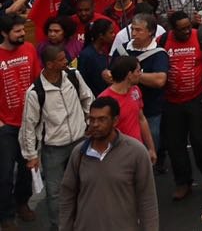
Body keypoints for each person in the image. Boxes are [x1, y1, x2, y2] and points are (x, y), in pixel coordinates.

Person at [18, 44, 93, 231]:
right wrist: (31, 156)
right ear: (50, 64)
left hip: (80, 141)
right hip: (53, 149)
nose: (66, 61)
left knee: (85, 184)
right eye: (61, 59)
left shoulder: (74, 76)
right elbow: (28, 126)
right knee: (55, 193)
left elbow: (87, 98)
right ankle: (59, 226)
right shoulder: (35, 92)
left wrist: (90, 123)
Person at [60, 97, 159, 231]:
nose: (95, 124)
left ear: (115, 121)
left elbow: (147, 200)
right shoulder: (79, 153)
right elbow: (67, 196)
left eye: (102, 119)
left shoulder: (136, 152)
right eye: (92, 119)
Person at [161, 11, 202, 200]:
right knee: (175, 145)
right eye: (181, 29)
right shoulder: (162, 41)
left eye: (188, 27)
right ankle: (182, 182)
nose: (186, 32)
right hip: (171, 101)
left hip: (197, 99)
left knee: (200, 141)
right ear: (172, 29)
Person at [0, 13, 37, 228]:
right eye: (17, 31)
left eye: (23, 30)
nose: (23, 34)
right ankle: (5, 214)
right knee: (5, 173)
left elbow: (36, 80)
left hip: (29, 123)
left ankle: (22, 203)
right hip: (6, 126)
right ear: (4, 33)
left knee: (27, 170)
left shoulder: (30, 49)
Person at [121, 14, 168, 170]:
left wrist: (131, 76)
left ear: (150, 32)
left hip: (151, 110)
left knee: (149, 151)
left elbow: (159, 80)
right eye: (133, 29)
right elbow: (109, 74)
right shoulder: (122, 49)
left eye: (139, 30)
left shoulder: (159, 53)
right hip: (126, 110)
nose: (134, 34)